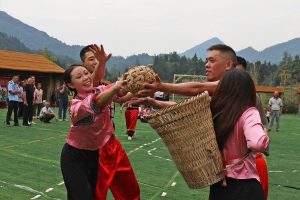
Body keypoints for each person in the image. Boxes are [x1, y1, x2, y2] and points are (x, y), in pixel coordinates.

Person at [80, 44, 140, 200]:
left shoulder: (104, 86)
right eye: (91, 59)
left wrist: (138, 85)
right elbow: (97, 92)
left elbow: (121, 97)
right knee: (97, 194)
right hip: (94, 149)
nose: (95, 62)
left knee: (130, 191)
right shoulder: (80, 87)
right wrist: (103, 63)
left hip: (112, 144)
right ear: (83, 64)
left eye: (97, 59)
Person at [209, 69, 269, 200]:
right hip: (245, 188)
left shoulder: (215, 113)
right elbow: (257, 143)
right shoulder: (249, 113)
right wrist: (264, 134)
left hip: (219, 186)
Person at [236, 56, 269, 199]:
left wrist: (262, 145)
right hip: (229, 167)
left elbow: (262, 128)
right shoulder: (220, 97)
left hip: (253, 162)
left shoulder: (253, 97)